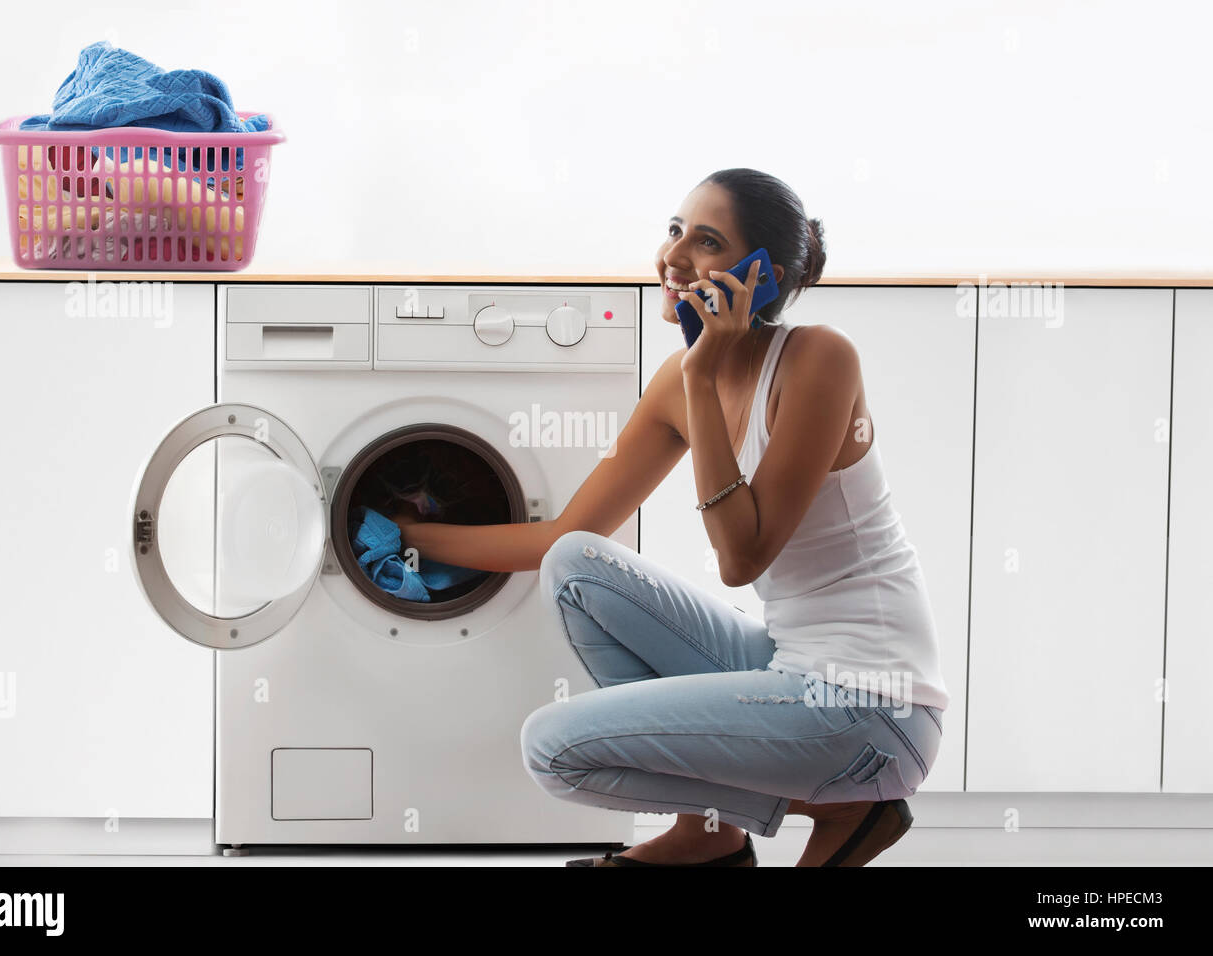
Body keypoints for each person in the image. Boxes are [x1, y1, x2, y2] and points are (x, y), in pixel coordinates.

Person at [392, 168, 950, 867]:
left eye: (707, 241)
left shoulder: (818, 359)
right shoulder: (679, 380)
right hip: (790, 666)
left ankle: (844, 807)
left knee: (552, 749)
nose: (674, 257)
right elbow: (556, 538)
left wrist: (700, 376)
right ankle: (710, 834)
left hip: (873, 711)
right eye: (674, 230)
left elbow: (742, 557)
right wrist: (397, 536)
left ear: (762, 277)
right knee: (575, 565)